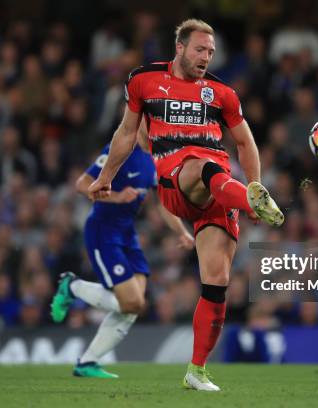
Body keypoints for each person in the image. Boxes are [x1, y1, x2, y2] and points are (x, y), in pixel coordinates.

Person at [87, 18, 284, 391]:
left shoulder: (222, 93)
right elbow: (127, 133)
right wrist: (106, 176)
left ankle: (196, 370)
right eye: (199, 49)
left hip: (220, 190)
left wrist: (254, 184)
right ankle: (252, 203)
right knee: (202, 164)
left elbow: (246, 143)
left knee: (217, 280)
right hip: (177, 180)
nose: (206, 57)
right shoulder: (144, 80)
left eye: (210, 52)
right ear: (179, 48)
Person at [51, 128, 194, 378]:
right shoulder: (120, 150)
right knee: (132, 303)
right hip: (103, 232)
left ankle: (87, 363)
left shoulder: (157, 158)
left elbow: (162, 201)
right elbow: (82, 184)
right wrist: (116, 196)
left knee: (133, 307)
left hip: (127, 235)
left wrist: (181, 232)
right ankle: (71, 286)